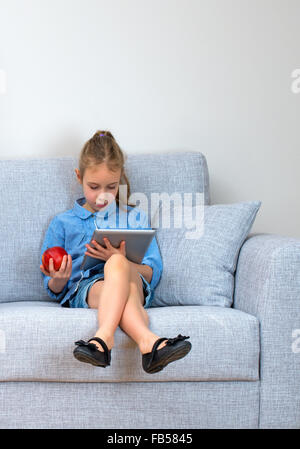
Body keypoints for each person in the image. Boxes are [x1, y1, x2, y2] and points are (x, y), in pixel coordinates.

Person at [39, 130, 191, 373]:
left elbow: (153, 273)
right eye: (93, 186)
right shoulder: (62, 223)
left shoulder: (135, 218)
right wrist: (59, 280)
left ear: (120, 179)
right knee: (120, 281)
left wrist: (118, 260)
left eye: (111, 187)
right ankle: (150, 344)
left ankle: (103, 339)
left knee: (117, 264)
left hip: (134, 282)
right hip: (89, 289)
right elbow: (53, 288)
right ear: (79, 177)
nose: (102, 196)